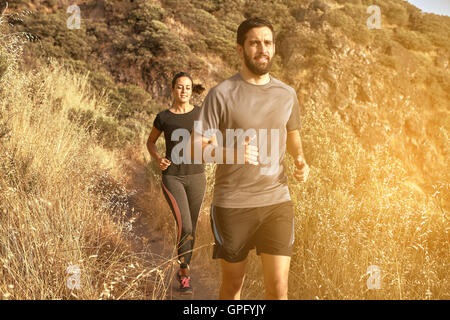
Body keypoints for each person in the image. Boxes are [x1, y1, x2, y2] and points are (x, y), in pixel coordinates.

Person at [191, 17, 310, 300]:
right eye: (254, 43)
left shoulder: (286, 94)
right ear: (240, 49)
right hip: (233, 204)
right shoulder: (221, 94)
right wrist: (234, 153)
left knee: (279, 288)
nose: (262, 49)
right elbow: (197, 147)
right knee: (233, 287)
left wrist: (301, 160)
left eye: (267, 43)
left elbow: (292, 133)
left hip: (277, 201)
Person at [147, 72, 206, 294]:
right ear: (172, 90)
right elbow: (150, 142)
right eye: (180, 87)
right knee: (186, 225)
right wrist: (157, 158)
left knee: (191, 228)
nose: (184, 91)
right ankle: (184, 274)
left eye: (188, 88)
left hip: (197, 176)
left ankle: (184, 268)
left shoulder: (200, 115)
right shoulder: (163, 117)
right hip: (172, 177)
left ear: (192, 91)